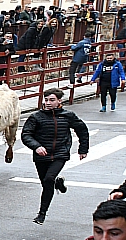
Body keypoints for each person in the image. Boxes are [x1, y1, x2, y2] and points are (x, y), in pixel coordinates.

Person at [21, 88, 89, 224]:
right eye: (46, 100)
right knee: (47, 184)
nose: (48, 103)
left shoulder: (67, 115)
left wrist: (83, 149)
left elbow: (82, 130)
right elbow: (26, 134)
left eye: (52, 100)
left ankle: (41, 214)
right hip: (41, 155)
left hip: (60, 153)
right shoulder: (36, 117)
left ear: (59, 101)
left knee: (48, 179)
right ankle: (58, 183)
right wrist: (36, 146)